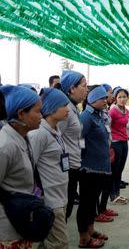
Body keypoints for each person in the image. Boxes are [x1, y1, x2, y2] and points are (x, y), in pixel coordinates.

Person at [0, 85, 42, 249]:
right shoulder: (5, 146)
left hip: (21, 220)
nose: (41, 116)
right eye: (38, 111)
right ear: (21, 114)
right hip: (7, 229)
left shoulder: (24, 137)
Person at [28, 88, 70, 248]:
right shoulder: (38, 134)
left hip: (60, 194)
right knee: (60, 243)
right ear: (52, 108)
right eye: (63, 105)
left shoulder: (55, 130)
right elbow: (29, 166)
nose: (67, 110)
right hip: (50, 199)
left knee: (49, 242)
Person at [78, 86, 110, 248]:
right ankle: (84, 237)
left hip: (100, 166)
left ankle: (90, 229)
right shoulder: (86, 117)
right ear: (92, 100)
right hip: (89, 168)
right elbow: (79, 139)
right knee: (86, 202)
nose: (105, 100)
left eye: (106, 98)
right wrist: (85, 155)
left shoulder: (99, 115)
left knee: (92, 202)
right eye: (102, 98)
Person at [57, 70, 88, 221]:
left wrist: (81, 149)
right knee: (65, 209)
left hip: (75, 164)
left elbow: (78, 134)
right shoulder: (65, 110)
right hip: (66, 168)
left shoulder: (75, 108)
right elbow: (56, 138)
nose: (87, 89)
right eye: (84, 86)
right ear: (71, 89)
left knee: (67, 209)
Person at [95, 84, 118, 222]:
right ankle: (97, 212)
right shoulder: (89, 116)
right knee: (97, 187)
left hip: (107, 150)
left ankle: (103, 208)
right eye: (109, 93)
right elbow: (82, 137)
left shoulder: (105, 110)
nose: (111, 95)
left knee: (107, 182)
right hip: (97, 156)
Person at [109, 88, 129, 204]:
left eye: (124, 96)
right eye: (119, 97)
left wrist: (128, 133)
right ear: (115, 98)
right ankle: (112, 195)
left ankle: (117, 194)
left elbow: (127, 125)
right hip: (115, 143)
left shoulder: (126, 111)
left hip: (124, 141)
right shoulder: (113, 111)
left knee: (120, 169)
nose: (122, 99)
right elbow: (107, 126)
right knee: (114, 170)